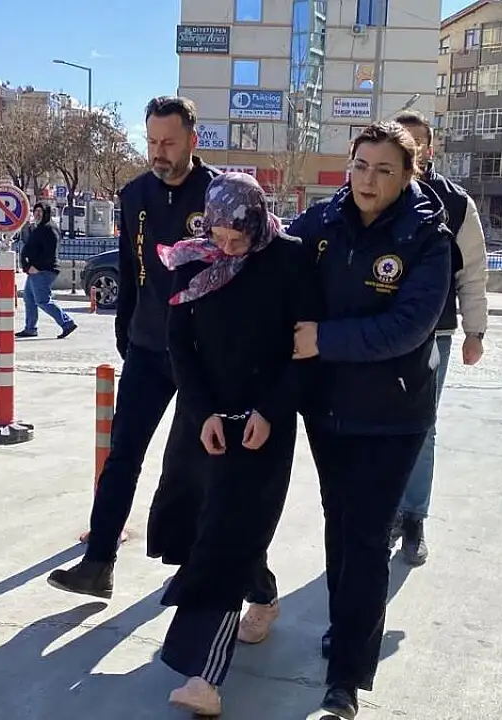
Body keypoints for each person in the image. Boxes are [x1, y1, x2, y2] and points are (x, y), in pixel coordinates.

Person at [286, 121, 458, 719]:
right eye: (361, 166)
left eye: (385, 170)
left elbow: (408, 328)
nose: (368, 179)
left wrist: (323, 340)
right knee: (340, 526)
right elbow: (275, 260)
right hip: (328, 407)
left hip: (393, 413)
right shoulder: (323, 221)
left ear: (409, 175)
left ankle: (346, 679)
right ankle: (346, 629)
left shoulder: (427, 238)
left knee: (365, 535)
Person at [153, 172, 312, 716]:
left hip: (263, 425)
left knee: (224, 541)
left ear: (258, 221)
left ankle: (205, 676)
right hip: (206, 423)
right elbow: (180, 343)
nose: (228, 247)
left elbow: (304, 351)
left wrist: (272, 410)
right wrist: (202, 413)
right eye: (218, 235)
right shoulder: (194, 260)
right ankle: (263, 595)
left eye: (237, 237)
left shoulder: (289, 259)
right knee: (214, 526)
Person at [48, 96, 219, 598]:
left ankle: (195, 567)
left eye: (169, 142)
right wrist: (125, 332)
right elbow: (129, 269)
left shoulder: (219, 193)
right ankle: (98, 562)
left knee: (191, 467)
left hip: (203, 355)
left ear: (192, 140)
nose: (160, 152)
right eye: (152, 142)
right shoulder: (135, 194)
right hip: (147, 347)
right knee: (121, 457)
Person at [391, 111, 488, 566]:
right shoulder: (371, 192)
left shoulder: (454, 202)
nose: (410, 149)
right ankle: (384, 512)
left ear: (430, 149)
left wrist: (476, 331)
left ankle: (413, 518)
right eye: (402, 140)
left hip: (436, 334)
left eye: (418, 143)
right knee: (372, 422)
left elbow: (473, 272)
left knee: (422, 426)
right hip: (375, 334)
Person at [16, 203, 77, 339]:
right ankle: (30, 328)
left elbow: (50, 252)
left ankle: (67, 323)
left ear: (46, 213)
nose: (37, 214)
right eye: (36, 211)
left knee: (42, 301)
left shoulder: (49, 229)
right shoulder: (38, 228)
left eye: (40, 211)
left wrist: (37, 267)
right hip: (34, 271)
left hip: (43, 270)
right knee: (29, 298)